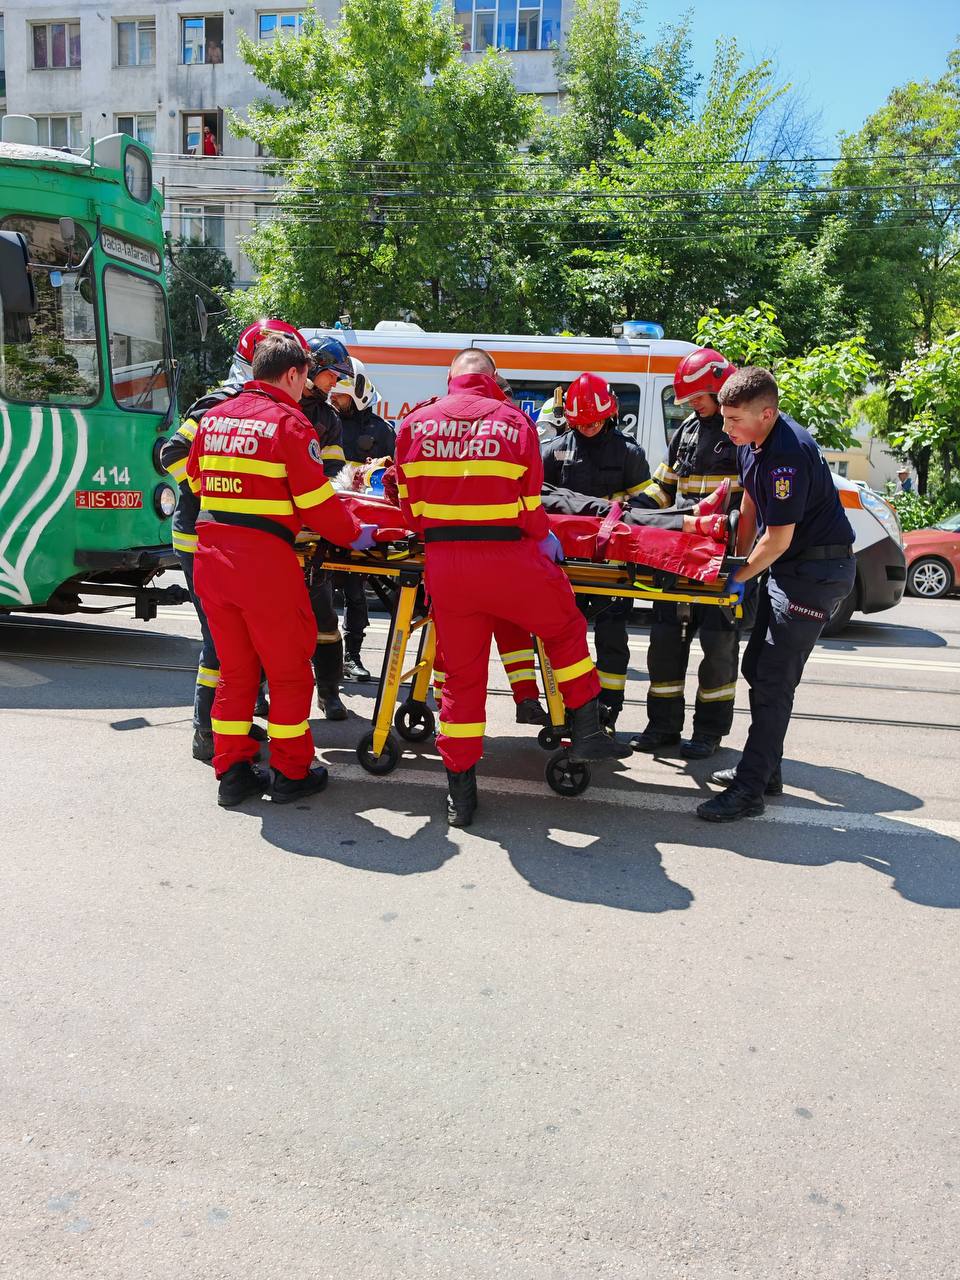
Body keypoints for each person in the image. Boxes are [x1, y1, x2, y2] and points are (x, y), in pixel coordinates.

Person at [394, 349, 630, 828]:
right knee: (564, 627)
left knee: (462, 680)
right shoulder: (513, 422)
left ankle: (460, 793)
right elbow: (529, 509)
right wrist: (542, 537)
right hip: (509, 559)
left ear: (451, 378)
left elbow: (409, 511)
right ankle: (585, 728)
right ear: (493, 377)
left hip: (446, 566)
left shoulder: (414, 425)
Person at [186, 333, 377, 808]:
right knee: (290, 672)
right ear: (292, 374)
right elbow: (317, 504)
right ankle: (291, 773)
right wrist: (359, 533)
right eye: (305, 378)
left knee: (235, 671)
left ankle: (232, 773)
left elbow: (193, 477)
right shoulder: (289, 424)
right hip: (263, 564)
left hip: (211, 556)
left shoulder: (213, 419)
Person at [697, 367, 856, 823]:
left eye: (733, 420)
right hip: (790, 568)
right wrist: (736, 558)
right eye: (724, 419)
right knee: (758, 668)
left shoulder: (786, 454)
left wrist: (738, 578)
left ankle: (750, 791)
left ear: (766, 414)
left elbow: (779, 538)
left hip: (815, 572)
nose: (725, 430)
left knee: (772, 679)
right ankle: (765, 771)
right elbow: (750, 506)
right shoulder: (753, 445)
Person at [161, 317, 306, 761]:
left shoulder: (249, 402)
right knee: (219, 646)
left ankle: (230, 730)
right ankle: (206, 734)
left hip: (219, 538)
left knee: (237, 648)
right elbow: (172, 453)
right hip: (203, 537)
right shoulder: (219, 403)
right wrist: (220, 491)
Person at [630, 347, 742, 760]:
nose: (693, 405)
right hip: (679, 559)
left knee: (717, 649)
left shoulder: (741, 434)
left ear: (721, 385)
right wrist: (629, 511)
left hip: (722, 561)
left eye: (698, 397)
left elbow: (754, 504)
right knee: (664, 644)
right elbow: (663, 487)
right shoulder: (688, 431)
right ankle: (662, 726)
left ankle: (710, 732)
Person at [540, 372, 651, 730]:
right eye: (581, 423)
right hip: (565, 564)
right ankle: (570, 706)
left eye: (594, 422)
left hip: (613, 565)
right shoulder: (554, 450)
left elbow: (647, 505)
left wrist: (616, 512)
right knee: (563, 637)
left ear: (609, 415)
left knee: (612, 639)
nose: (588, 429)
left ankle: (608, 711)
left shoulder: (628, 452)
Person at [329, 356, 396, 682]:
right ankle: (324, 656)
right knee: (322, 591)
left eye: (339, 395)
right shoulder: (326, 419)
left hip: (361, 523)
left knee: (356, 592)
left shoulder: (381, 431)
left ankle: (352, 656)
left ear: (355, 393)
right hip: (327, 516)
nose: (334, 399)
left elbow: (390, 476)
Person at [299, 335, 353, 719]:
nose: (336, 382)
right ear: (312, 367)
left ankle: (330, 691)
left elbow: (334, 471)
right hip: (276, 534)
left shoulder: (327, 417)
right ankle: (259, 695)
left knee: (325, 622)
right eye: (332, 374)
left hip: (310, 535)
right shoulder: (277, 405)